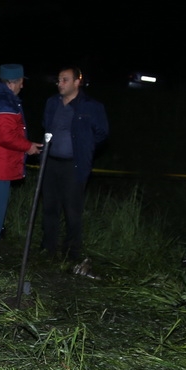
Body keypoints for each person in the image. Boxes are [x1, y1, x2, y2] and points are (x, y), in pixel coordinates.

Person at [41, 66, 108, 261]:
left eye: (65, 80)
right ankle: (48, 248)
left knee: (72, 209)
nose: (60, 83)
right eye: (59, 80)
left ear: (77, 82)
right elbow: (46, 124)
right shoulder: (52, 102)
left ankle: (71, 252)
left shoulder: (91, 106)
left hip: (74, 165)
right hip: (51, 163)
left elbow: (102, 132)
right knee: (49, 207)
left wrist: (85, 146)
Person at [0, 64, 40, 261]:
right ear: (12, 83)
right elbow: (6, 136)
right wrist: (28, 146)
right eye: (21, 82)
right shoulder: (3, 102)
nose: (22, 86)